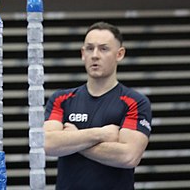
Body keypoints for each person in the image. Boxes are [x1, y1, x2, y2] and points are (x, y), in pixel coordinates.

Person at [44, 21, 152, 190]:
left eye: (103, 48)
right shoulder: (61, 99)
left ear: (120, 54)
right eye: (89, 48)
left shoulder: (135, 102)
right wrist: (101, 134)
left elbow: (128, 156)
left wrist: (72, 141)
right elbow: (47, 144)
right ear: (82, 53)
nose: (95, 55)